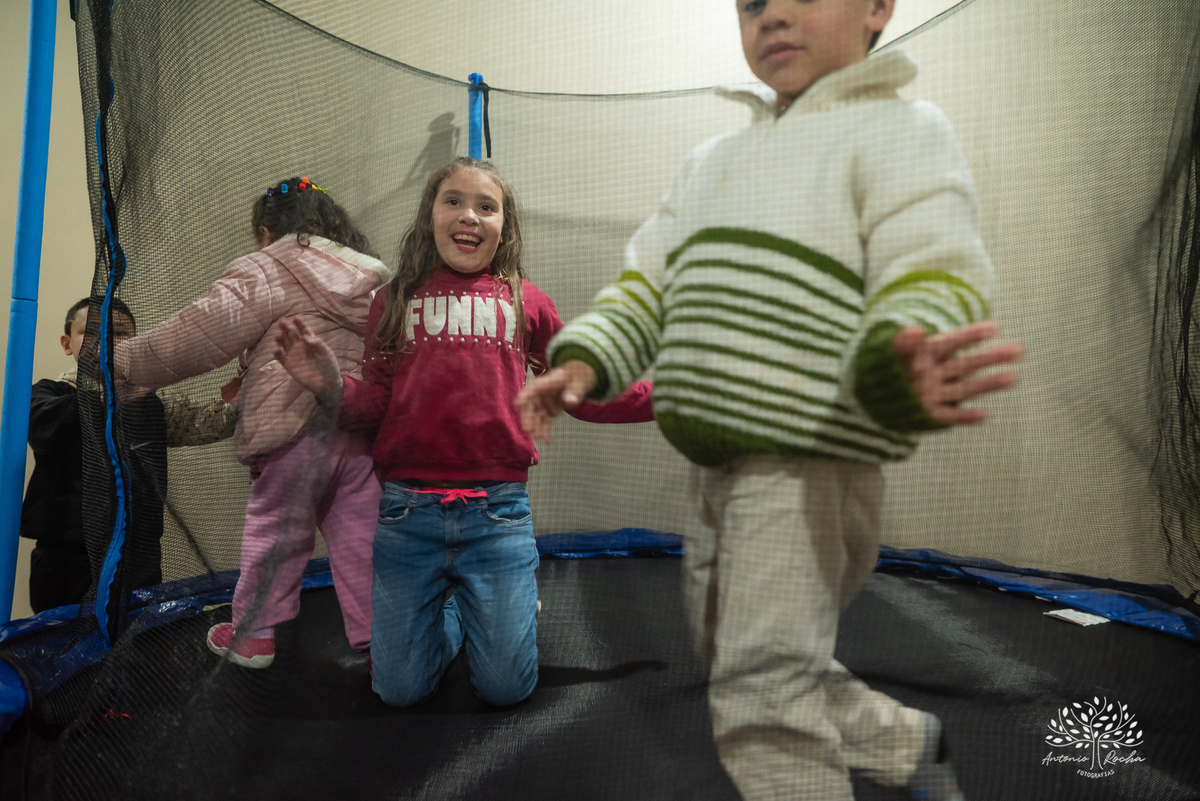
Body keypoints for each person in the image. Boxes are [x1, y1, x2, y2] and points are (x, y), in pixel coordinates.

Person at [516, 2, 1023, 799]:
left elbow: (930, 262)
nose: (773, 14)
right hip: (714, 467)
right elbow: (648, 284)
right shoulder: (712, 161)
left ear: (879, 8)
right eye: (751, 2)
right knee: (745, 655)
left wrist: (908, 352)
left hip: (809, 461)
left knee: (760, 697)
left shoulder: (897, 132)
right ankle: (904, 742)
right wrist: (584, 361)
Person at [273, 157, 655, 707]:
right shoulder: (393, 300)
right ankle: (458, 614)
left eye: (486, 206)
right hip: (407, 517)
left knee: (504, 689)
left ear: (505, 226)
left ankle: (491, 607)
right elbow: (375, 405)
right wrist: (330, 386)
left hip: (496, 516)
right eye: (453, 201)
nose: (468, 216)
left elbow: (582, 392)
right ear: (430, 215)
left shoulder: (527, 301)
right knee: (398, 691)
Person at [113, 177, 392, 668]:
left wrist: (125, 363)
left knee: (275, 537)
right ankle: (381, 644)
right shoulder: (373, 278)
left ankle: (254, 635)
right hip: (358, 434)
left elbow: (200, 333)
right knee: (362, 541)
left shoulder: (270, 265)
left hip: (293, 431)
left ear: (266, 232)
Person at [21, 297, 237, 613]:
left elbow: (205, 421)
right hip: (66, 556)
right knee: (64, 643)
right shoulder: (49, 394)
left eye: (120, 334)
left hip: (138, 555)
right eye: (91, 332)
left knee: (134, 643)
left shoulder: (149, 402)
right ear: (67, 343)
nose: (106, 341)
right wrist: (106, 395)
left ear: (135, 344)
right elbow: (42, 427)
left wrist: (247, 401)